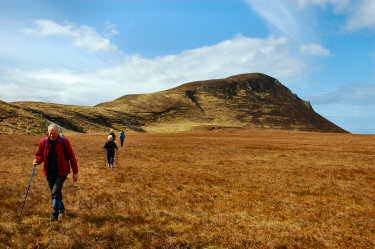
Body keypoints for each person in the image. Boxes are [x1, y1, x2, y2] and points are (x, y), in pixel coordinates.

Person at [33, 123, 78, 221]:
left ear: (58, 132)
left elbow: (72, 157)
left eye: (54, 133)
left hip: (62, 172)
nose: (52, 135)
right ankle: (61, 208)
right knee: (56, 193)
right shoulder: (44, 142)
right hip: (49, 172)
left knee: (55, 192)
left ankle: (54, 213)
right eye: (50, 133)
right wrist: (37, 160)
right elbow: (39, 155)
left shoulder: (64, 142)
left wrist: (75, 172)